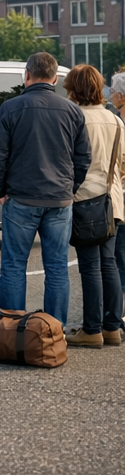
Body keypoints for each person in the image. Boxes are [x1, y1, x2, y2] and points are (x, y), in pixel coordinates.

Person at [0, 51, 91, 326]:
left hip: (20, 198)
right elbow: (83, 158)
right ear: (55, 77)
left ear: (27, 75)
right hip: (59, 200)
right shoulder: (72, 111)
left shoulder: (10, 108)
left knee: (13, 266)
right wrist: (70, 188)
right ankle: (54, 333)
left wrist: (0, 191)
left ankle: (10, 330)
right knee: (57, 269)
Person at [62, 64, 124, 347]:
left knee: (89, 266)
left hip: (84, 199)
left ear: (74, 89)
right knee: (109, 263)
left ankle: (92, 329)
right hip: (111, 199)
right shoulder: (115, 120)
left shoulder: (73, 117)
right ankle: (113, 327)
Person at [107, 70, 125, 311]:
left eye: (112, 91)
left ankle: (118, 312)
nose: (110, 94)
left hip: (121, 193)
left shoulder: (120, 121)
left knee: (120, 255)